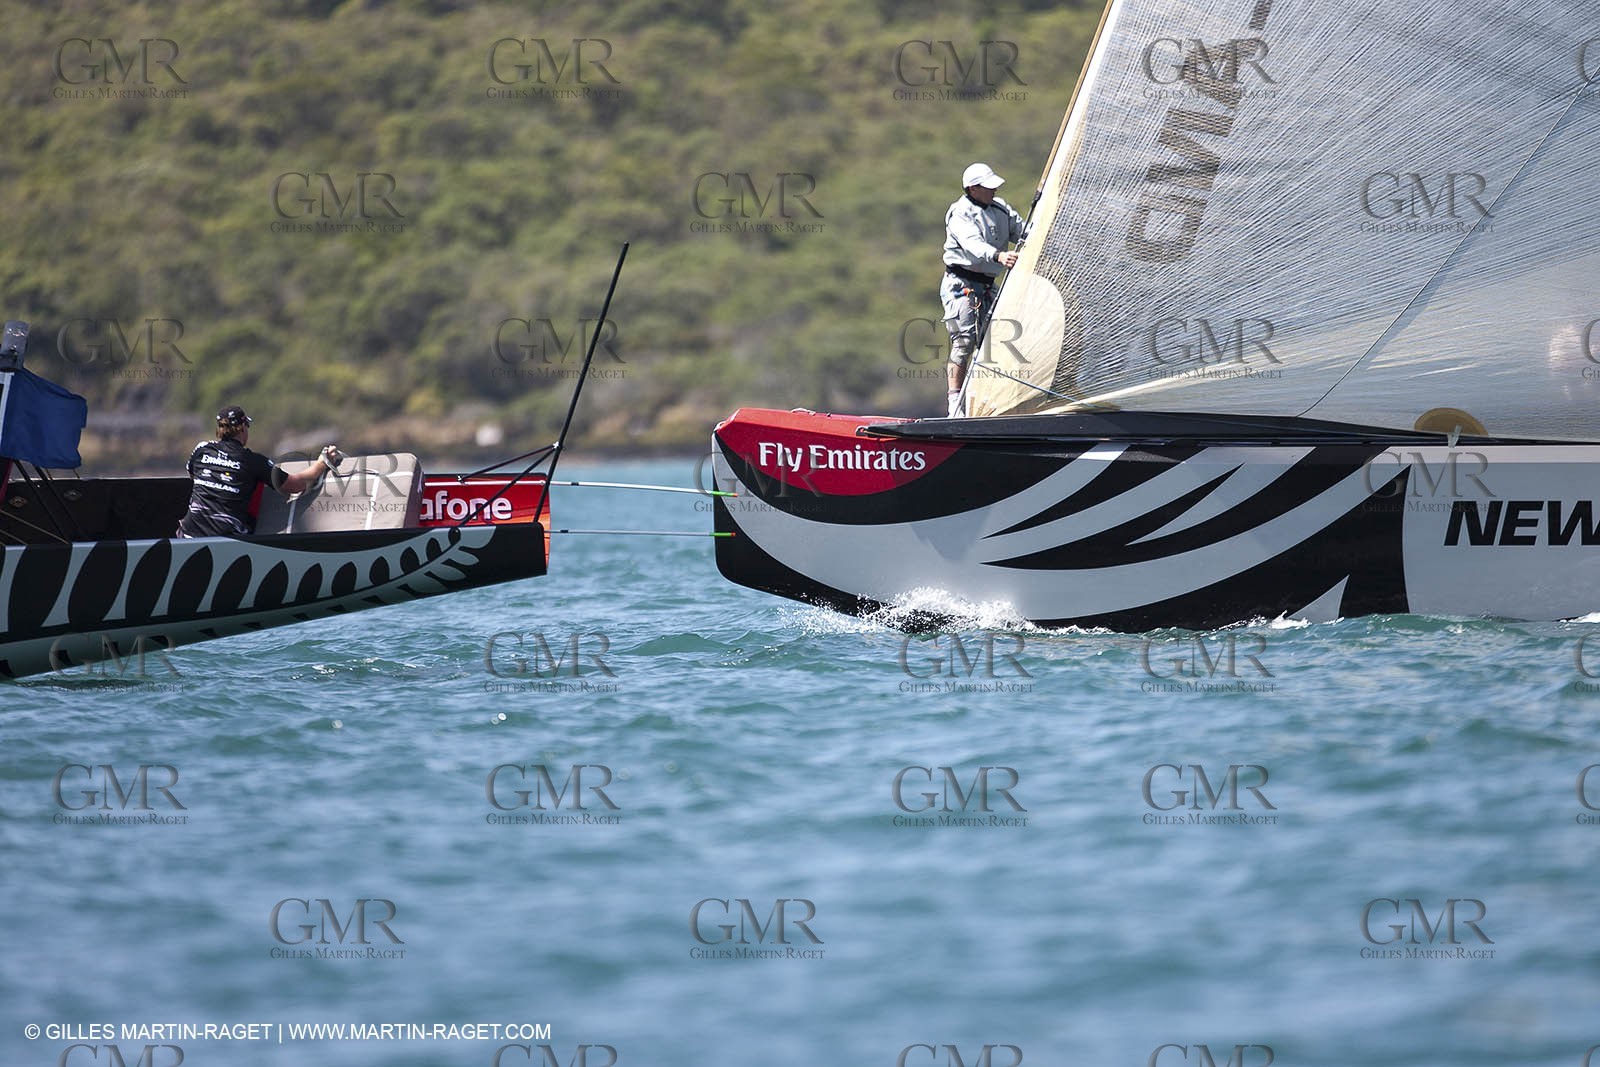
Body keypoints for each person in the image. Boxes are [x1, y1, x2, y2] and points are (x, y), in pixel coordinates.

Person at [176, 405, 343, 537]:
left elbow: (194, 476)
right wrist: (322, 463)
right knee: (256, 484)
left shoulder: (201, 450)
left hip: (189, 534)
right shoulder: (254, 461)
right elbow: (295, 485)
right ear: (242, 429)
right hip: (227, 539)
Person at [942, 162, 1026, 417]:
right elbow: (972, 244)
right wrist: (998, 256)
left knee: (994, 345)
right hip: (961, 285)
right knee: (964, 342)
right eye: (988, 187)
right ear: (972, 188)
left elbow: (1023, 231)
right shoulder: (960, 213)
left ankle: (989, 405)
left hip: (988, 286)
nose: (994, 190)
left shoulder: (1001, 209)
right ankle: (955, 406)